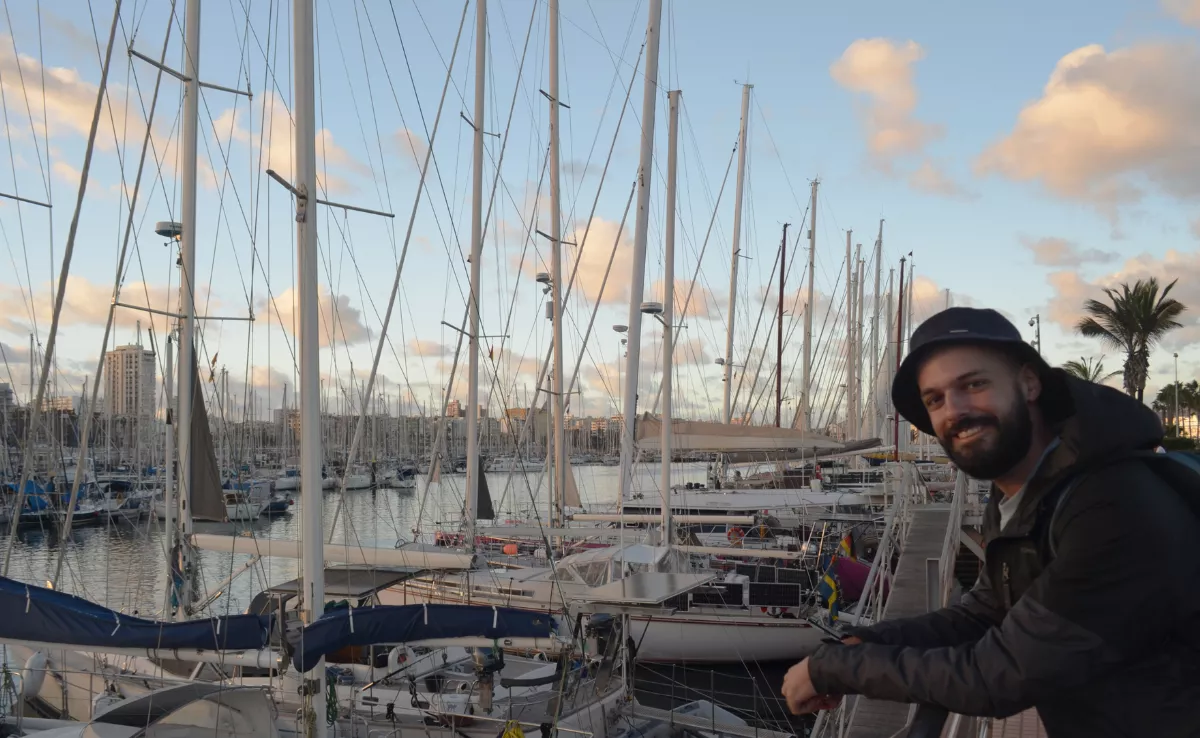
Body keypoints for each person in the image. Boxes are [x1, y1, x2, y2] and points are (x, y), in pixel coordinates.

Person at [781, 307, 1200, 736]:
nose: (955, 411)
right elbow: (986, 612)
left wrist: (836, 668)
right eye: (935, 399)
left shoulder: (1111, 503)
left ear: (1030, 383)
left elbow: (1000, 675)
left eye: (974, 384)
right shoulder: (1017, 494)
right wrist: (869, 642)